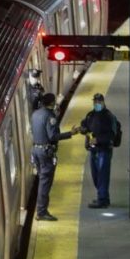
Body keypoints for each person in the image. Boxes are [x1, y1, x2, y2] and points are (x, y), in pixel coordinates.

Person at [31, 92, 79, 221]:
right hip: (46, 153)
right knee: (45, 182)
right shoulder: (49, 116)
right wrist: (71, 133)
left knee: (42, 180)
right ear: (52, 103)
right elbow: (52, 136)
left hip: (36, 150)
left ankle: (41, 209)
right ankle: (41, 212)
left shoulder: (35, 114)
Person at [79, 93, 121, 208]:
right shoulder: (90, 115)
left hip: (104, 150)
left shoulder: (109, 117)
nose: (97, 104)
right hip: (93, 151)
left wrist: (98, 140)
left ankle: (102, 199)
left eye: (99, 102)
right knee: (95, 175)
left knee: (103, 174)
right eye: (95, 102)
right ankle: (102, 197)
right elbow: (85, 126)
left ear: (103, 102)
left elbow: (112, 135)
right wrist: (82, 129)